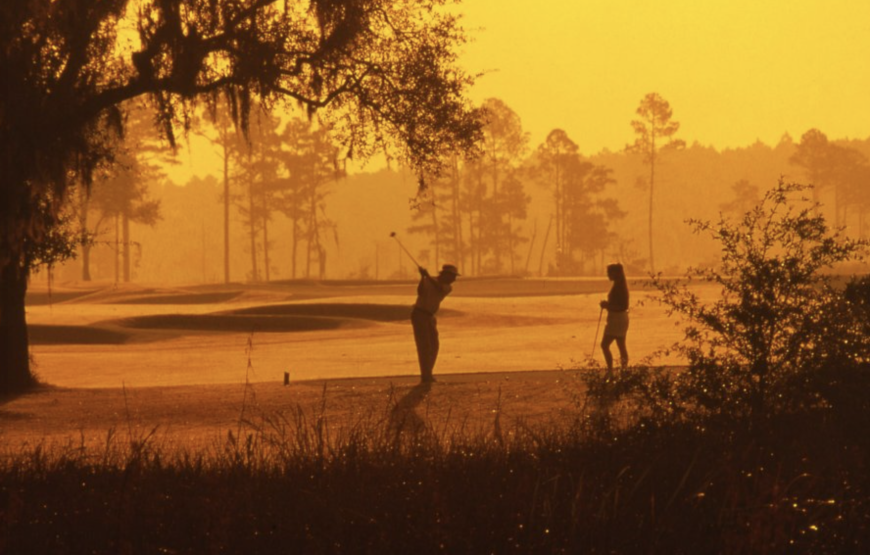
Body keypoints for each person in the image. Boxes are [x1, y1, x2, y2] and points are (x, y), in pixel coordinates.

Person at [411, 263, 459, 383]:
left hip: (430, 316)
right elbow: (420, 292)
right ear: (445, 275)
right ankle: (426, 376)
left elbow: (438, 288)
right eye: (453, 276)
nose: (454, 279)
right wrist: (423, 277)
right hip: (419, 314)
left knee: (434, 345)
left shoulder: (447, 287)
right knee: (425, 346)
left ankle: (428, 373)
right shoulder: (429, 280)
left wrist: (427, 276)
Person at [599, 263, 629, 370]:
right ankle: (623, 371)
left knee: (604, 345)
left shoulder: (619, 287)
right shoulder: (619, 285)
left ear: (615, 273)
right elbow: (620, 305)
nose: (607, 275)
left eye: (609, 272)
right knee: (621, 346)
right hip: (621, 318)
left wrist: (607, 305)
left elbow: (623, 306)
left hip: (617, 319)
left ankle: (611, 371)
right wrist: (608, 305)